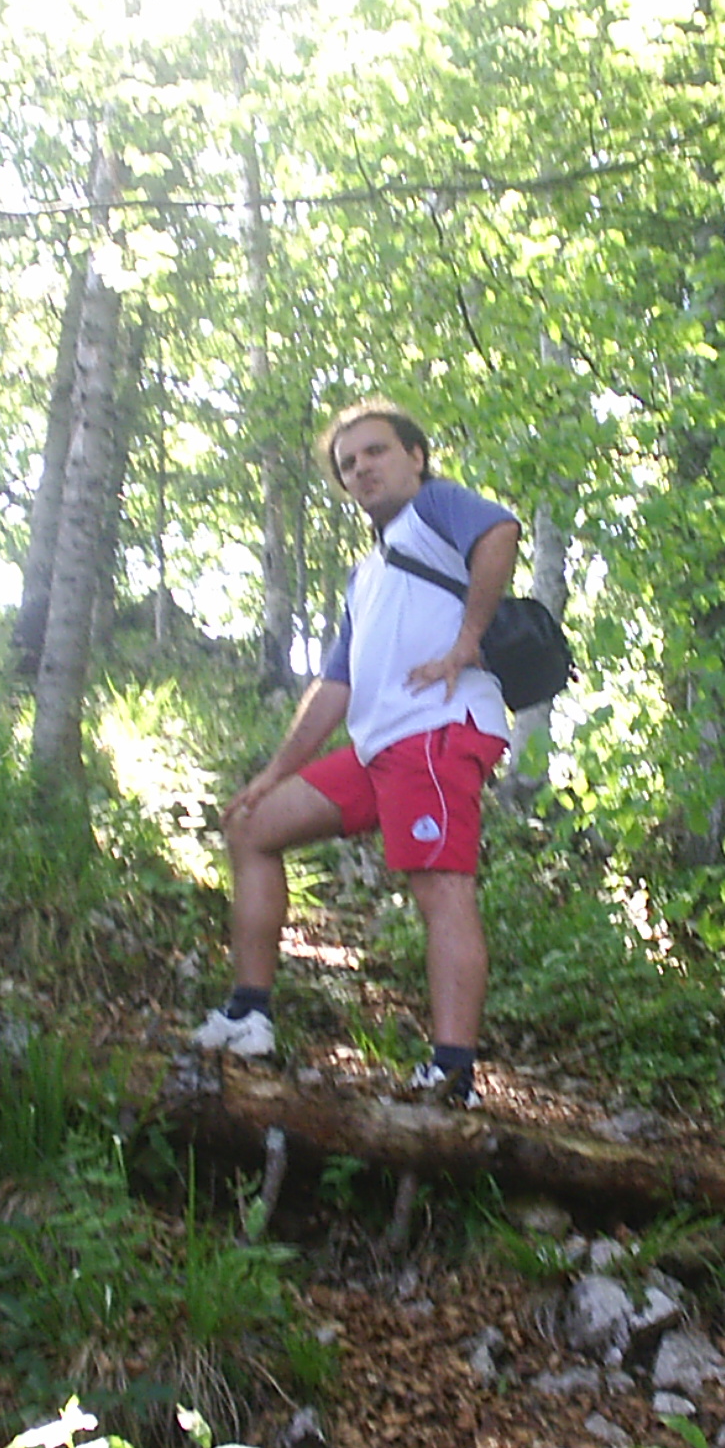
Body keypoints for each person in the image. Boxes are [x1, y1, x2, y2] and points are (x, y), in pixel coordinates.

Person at [191, 400, 519, 1105]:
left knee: (441, 887)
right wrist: (275, 773)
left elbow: (500, 530)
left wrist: (467, 640)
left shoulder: (436, 508)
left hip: (436, 731)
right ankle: (249, 1016)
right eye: (348, 463)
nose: (362, 468)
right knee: (251, 825)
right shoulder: (366, 574)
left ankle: (453, 1074)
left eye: (376, 451)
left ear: (415, 457)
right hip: (380, 747)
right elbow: (335, 686)